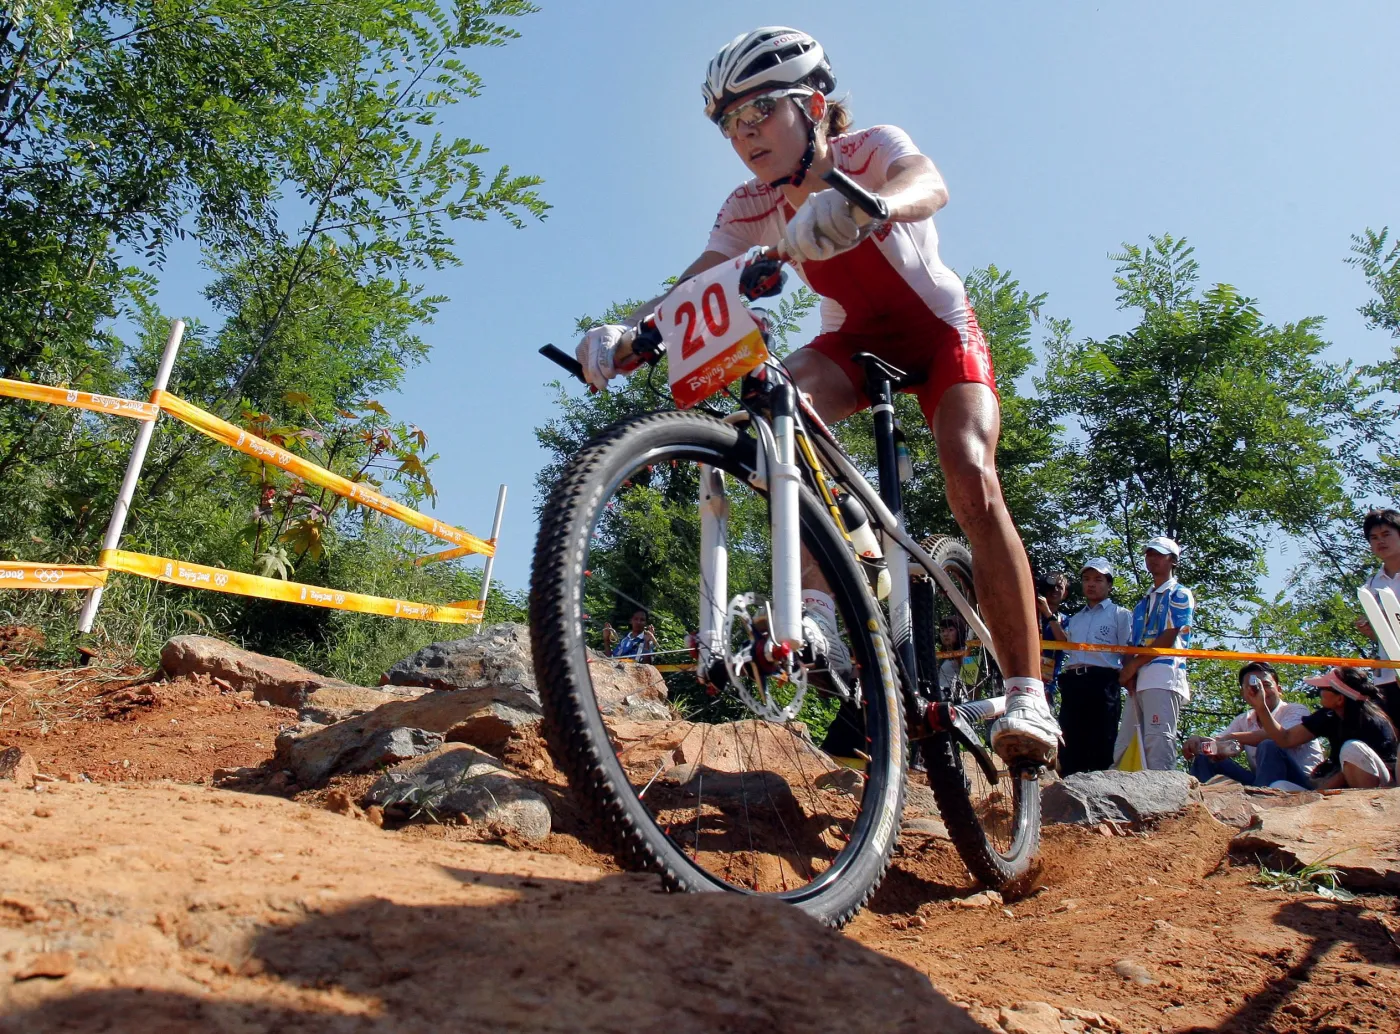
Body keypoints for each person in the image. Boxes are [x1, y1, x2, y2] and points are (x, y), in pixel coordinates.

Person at [573, 27, 1060, 765]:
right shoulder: (750, 203)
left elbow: (930, 183)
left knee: (968, 473)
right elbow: (696, 284)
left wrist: (871, 205)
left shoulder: (867, 149)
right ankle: (825, 598)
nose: (744, 136)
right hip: (853, 341)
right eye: (730, 124)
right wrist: (627, 332)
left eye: (760, 112)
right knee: (772, 412)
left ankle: (1027, 694)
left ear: (814, 105)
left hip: (939, 333)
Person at [1230, 667, 1398, 789]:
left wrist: (1318, 793)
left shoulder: (1372, 722)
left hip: (1380, 784)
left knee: (1352, 749)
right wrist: (1261, 707)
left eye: (1324, 688)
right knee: (1279, 786)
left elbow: (1352, 769)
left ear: (1340, 699)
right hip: (1331, 787)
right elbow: (1285, 738)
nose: (1319, 691)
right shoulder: (1328, 716)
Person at [1115, 536, 1194, 771]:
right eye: (1149, 554)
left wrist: (1132, 667)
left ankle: (1166, 800)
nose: (1153, 559)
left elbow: (1169, 637)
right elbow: (1132, 642)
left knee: (1158, 740)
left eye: (1159, 554)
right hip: (1139, 678)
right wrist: (1129, 672)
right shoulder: (1142, 603)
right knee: (1126, 742)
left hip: (1164, 673)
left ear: (1173, 561)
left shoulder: (1180, 593)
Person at [1183, 662, 1325, 787]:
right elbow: (1224, 745)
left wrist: (1233, 737)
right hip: (1261, 783)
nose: (1260, 691)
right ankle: (1198, 804)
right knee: (1206, 755)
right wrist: (1199, 744)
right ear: (1243, 693)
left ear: (1279, 690)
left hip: (1301, 781)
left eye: (1266, 685)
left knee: (1268, 745)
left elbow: (1282, 737)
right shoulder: (1244, 719)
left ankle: (1261, 800)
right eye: (1253, 686)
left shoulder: (1295, 710)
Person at [1056, 558, 1134, 776]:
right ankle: (1069, 789)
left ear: (1109, 585)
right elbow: (1067, 646)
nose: (1091, 584)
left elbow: (1127, 652)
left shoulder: (1120, 615)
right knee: (1070, 737)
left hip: (1103, 681)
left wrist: (1128, 682)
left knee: (1103, 737)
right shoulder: (1076, 619)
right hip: (1074, 681)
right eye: (1087, 579)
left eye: (1098, 579)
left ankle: (1101, 791)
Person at [1359, 508, 1400, 729]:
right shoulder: (1371, 584)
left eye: (1386, 535)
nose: (1380, 542)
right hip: (1387, 676)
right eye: (1374, 538)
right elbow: (1384, 635)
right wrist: (1372, 630)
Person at [1035, 572, 1070, 710]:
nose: (1054, 590)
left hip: (1047, 685)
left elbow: (1064, 641)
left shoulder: (1065, 620)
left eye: (1059, 587)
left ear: (1065, 593)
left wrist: (1048, 613)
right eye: (1050, 586)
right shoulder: (1031, 614)